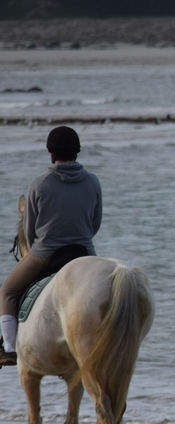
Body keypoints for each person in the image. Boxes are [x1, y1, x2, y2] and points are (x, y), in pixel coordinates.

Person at [2, 126, 103, 366]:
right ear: (77, 152)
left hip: (46, 254)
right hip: (84, 254)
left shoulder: (39, 184)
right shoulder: (93, 181)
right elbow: (95, 223)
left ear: (51, 153)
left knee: (7, 292)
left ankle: (7, 349)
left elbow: (30, 230)